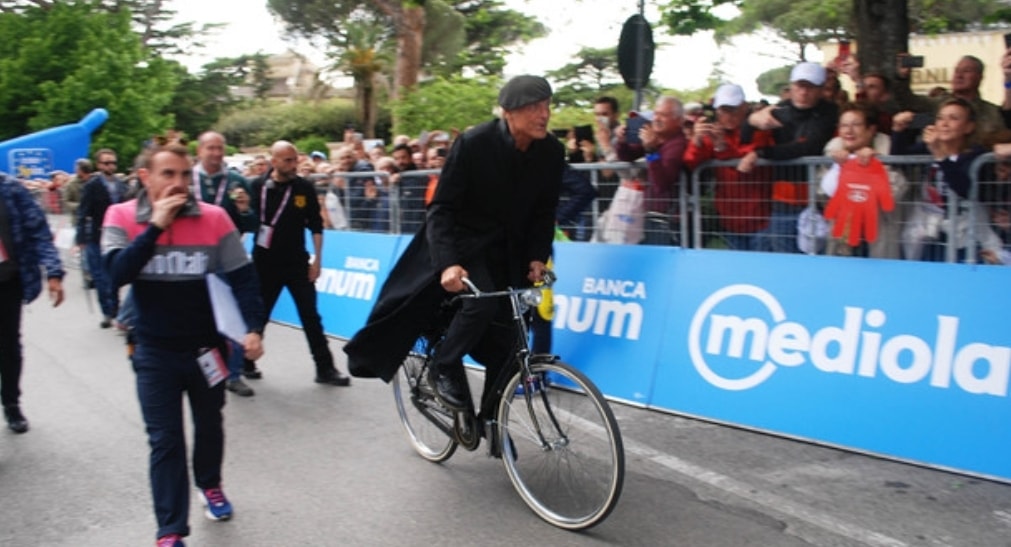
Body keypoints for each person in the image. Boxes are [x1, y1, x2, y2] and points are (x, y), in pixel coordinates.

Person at [343, 74, 564, 416]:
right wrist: (448, 262)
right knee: (481, 302)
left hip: (511, 251)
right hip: (465, 244)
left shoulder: (552, 151)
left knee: (509, 338)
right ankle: (442, 365)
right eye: (534, 107)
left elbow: (544, 211)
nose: (544, 114)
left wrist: (538, 256)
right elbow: (441, 208)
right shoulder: (475, 144)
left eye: (547, 106)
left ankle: (493, 424)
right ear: (508, 112)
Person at [102, 143, 265, 547]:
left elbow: (243, 279)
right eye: (167, 174)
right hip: (152, 349)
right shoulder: (120, 216)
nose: (178, 183)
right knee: (165, 440)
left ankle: (209, 484)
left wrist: (253, 329)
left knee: (210, 425)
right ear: (146, 178)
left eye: (183, 175)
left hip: (206, 350)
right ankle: (170, 530)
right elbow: (116, 275)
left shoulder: (215, 218)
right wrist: (155, 226)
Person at [244, 141, 351, 386]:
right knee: (259, 315)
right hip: (264, 263)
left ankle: (325, 368)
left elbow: (315, 225)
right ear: (274, 162)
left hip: (297, 263)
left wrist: (317, 260)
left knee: (311, 316)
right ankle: (246, 360)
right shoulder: (256, 186)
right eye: (287, 161)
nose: (293, 165)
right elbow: (246, 219)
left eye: (295, 159)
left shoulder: (304, 187)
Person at [740, 62, 839, 254]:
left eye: (809, 87)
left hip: (817, 201)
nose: (803, 92)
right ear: (792, 87)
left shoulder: (829, 112)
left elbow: (808, 146)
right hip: (782, 201)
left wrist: (763, 153)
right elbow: (744, 139)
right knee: (783, 256)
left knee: (818, 257)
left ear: (820, 90)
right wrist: (751, 122)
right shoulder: (780, 109)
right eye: (799, 86)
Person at [892, 97, 1004, 263]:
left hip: (966, 233)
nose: (944, 123)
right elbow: (899, 159)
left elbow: (965, 189)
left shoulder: (977, 155)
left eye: (953, 118)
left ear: (969, 127)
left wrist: (941, 156)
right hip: (930, 229)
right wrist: (898, 131)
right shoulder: (928, 147)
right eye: (940, 118)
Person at [193, 131, 257, 397]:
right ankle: (204, 371)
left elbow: (254, 225)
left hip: (228, 260)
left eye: (220, 148)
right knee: (197, 318)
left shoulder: (238, 181)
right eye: (211, 148)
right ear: (200, 151)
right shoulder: (187, 180)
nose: (216, 153)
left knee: (234, 317)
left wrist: (245, 210)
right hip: (193, 259)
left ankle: (233, 374)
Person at [0, 173, 65, 433]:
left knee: (8, 347)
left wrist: (54, 272)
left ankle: (11, 403)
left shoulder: (11, 189)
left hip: (7, 282)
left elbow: (39, 231)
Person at [683, 83, 776, 251]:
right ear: (716, 110)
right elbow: (690, 163)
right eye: (723, 110)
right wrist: (696, 141)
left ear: (744, 107)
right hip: (729, 218)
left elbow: (747, 164)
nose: (728, 115)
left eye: (733, 109)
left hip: (761, 217)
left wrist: (723, 149)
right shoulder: (712, 133)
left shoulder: (759, 130)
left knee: (761, 270)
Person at [820, 103, 908, 258]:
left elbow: (892, 194)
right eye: (844, 125)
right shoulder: (833, 155)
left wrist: (872, 166)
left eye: (856, 125)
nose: (849, 131)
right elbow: (824, 194)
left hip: (879, 241)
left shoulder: (889, 154)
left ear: (871, 129)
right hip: (843, 242)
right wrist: (840, 167)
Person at [615, 95, 688, 245]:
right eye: (656, 113)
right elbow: (627, 156)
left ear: (679, 121)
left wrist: (650, 150)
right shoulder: (656, 138)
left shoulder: (678, 144)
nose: (657, 118)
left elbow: (662, 184)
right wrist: (622, 142)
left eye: (664, 115)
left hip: (670, 220)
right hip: (652, 215)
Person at [76, 148, 128, 327]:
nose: (110, 166)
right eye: (106, 163)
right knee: (100, 277)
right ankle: (108, 312)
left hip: (118, 236)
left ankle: (117, 309)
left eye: (113, 162)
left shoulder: (122, 185)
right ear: (99, 165)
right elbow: (82, 213)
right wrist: (81, 238)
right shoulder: (92, 185)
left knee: (115, 276)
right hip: (97, 236)